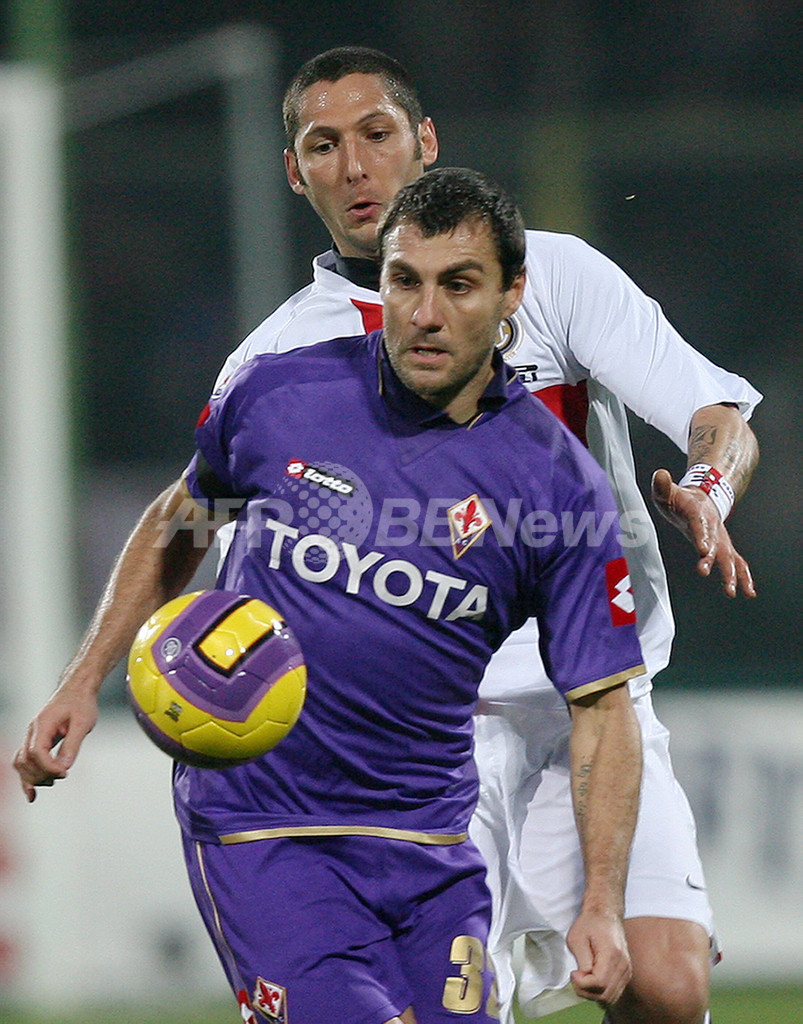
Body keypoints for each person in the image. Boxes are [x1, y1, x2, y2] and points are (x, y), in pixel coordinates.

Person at [14, 168, 646, 1024]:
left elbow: (601, 706)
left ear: (512, 296)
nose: (425, 314)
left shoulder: (556, 487)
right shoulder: (280, 395)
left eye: (458, 285)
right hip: (264, 829)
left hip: (431, 844)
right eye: (404, 281)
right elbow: (180, 521)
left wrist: (601, 902)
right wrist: (83, 679)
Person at [213, 48, 762, 1024]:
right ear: (293, 172)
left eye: (376, 134)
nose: (355, 166)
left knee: (667, 986)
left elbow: (716, 415)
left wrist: (707, 489)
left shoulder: (549, 275)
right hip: (415, 740)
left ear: (424, 141)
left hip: (591, 704)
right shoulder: (275, 359)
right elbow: (232, 566)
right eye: (323, 146)